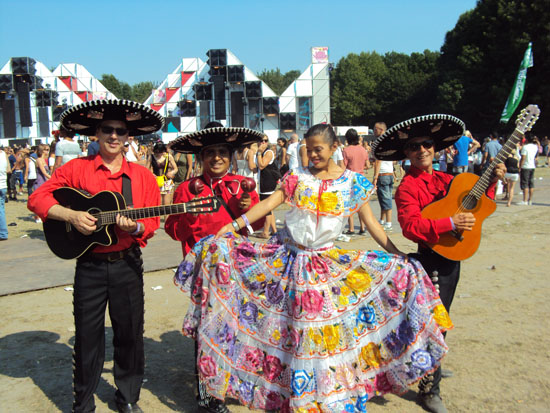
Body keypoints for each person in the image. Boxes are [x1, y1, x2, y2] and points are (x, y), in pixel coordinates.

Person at [174, 123, 453, 412]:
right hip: (288, 260)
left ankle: (322, 395)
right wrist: (233, 226)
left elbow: (371, 224)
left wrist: (395, 254)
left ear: (335, 149)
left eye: (318, 149)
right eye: (308, 149)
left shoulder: (353, 183)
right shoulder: (297, 177)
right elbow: (269, 203)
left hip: (324, 266)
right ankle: (287, 393)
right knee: (290, 330)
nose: (313, 155)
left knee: (320, 334)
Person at [27, 99, 163, 413]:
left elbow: (152, 222)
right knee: (87, 338)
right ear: (96, 134)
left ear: (129, 136)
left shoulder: (140, 177)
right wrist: (69, 216)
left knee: (130, 334)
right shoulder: (76, 169)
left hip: (127, 263)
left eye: (120, 131)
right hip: (89, 265)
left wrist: (137, 226)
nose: (114, 136)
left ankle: (127, 397)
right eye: (107, 130)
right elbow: (37, 198)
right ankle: (83, 402)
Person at [372, 114, 506, 413]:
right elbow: (410, 225)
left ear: (436, 148)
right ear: (406, 153)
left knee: (441, 320)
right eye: (415, 146)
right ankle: (429, 390)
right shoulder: (407, 187)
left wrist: (492, 179)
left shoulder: (448, 179)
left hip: (453, 260)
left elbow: (477, 199)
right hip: (430, 261)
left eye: (427, 144)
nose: (422, 150)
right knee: (435, 323)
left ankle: (431, 365)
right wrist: (449, 222)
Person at [165, 123, 265, 413]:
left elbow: (258, 224)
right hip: (204, 272)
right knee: (206, 333)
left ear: (231, 156)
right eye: (211, 153)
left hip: (240, 268)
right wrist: (190, 213)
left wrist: (247, 208)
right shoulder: (186, 188)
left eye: (223, 152)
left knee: (240, 328)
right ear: (201, 157)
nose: (217, 158)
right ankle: (209, 397)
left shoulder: (242, 185)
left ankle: (233, 385)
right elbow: (173, 229)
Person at [343, 128, 370, 234]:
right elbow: (367, 165)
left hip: (350, 178)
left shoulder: (346, 150)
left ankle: (351, 228)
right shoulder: (363, 149)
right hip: (361, 178)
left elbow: (344, 166)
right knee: (361, 204)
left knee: (350, 204)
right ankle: (363, 227)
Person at [372, 122, 395, 232]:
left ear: (380, 130)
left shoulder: (380, 143)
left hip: (383, 173)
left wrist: (375, 177)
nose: (374, 131)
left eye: (375, 129)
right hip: (389, 172)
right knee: (384, 197)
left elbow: (378, 161)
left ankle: (389, 222)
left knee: (386, 198)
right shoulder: (390, 142)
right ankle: (382, 219)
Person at [256, 136, 280, 238]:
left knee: (266, 207)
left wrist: (258, 153)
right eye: (261, 140)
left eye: (265, 140)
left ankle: (265, 232)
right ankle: (274, 230)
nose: (263, 142)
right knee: (269, 207)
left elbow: (261, 165)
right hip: (263, 181)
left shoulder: (268, 152)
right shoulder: (261, 152)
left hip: (267, 181)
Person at [31, 144, 52, 222]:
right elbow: (44, 173)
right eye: (46, 149)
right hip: (40, 181)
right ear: (41, 150)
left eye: (48, 149)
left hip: (45, 181)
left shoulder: (45, 160)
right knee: (39, 200)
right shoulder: (39, 160)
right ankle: (37, 217)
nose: (47, 151)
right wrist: (52, 178)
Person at [518, 133, 538, 205]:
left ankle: (525, 200)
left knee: (525, 184)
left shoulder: (525, 147)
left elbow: (523, 158)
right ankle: (530, 200)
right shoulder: (535, 147)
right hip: (532, 166)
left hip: (525, 166)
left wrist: (520, 166)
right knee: (531, 184)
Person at [0, 147, 10, 240]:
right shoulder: (4, 154)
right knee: (1, 209)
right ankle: (3, 233)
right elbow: (9, 170)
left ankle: (3, 233)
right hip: (3, 185)